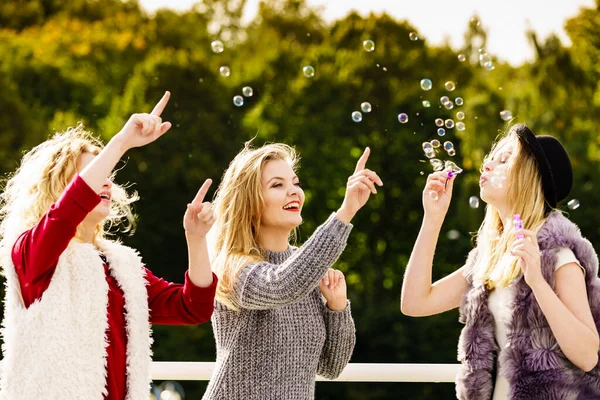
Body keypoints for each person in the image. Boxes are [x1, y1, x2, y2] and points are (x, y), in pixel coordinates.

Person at [0, 92, 218, 399]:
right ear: (59, 188)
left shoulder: (121, 267)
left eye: (108, 174)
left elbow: (192, 307)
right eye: (95, 173)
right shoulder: (29, 251)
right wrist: (121, 142)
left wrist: (196, 239)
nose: (106, 182)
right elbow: (66, 212)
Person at [401, 124, 600, 399]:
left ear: (530, 178)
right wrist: (432, 219)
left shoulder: (559, 258)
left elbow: (589, 355)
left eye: (504, 160)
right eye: (491, 159)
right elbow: (415, 302)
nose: (488, 166)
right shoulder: (490, 263)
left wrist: (537, 282)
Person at [202, 142, 383, 399]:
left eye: (295, 183)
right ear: (250, 202)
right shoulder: (233, 267)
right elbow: (281, 285)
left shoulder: (304, 266)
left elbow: (331, 367)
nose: (294, 192)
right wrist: (346, 212)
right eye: (278, 185)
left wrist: (338, 308)